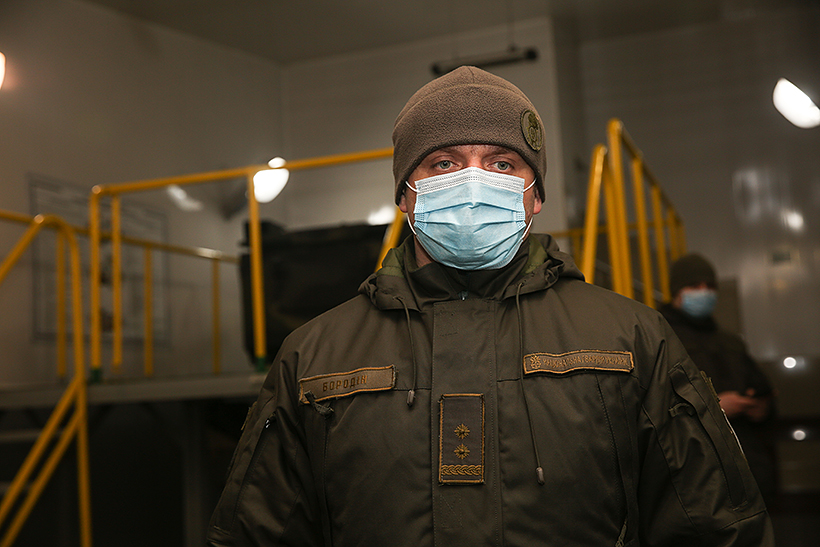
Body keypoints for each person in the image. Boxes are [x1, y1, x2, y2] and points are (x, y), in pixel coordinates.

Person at [207, 66, 773, 546]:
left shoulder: (633, 338)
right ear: (405, 194)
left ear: (535, 195)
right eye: (444, 164)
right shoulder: (312, 356)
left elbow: (716, 528)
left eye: (502, 164)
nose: (474, 184)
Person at [660, 253, 777, 503]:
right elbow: (656, 406)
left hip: (748, 465)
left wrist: (761, 408)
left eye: (710, 286)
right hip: (696, 476)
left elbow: (761, 387)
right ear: (676, 291)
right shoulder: (660, 338)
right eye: (694, 286)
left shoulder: (730, 341)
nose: (704, 292)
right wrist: (716, 408)